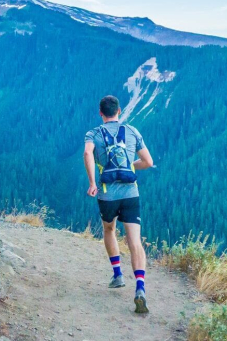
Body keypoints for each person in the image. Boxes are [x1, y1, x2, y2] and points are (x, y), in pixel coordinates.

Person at [84, 95, 154, 314]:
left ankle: (117, 274)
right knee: (135, 241)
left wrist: (93, 182)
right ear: (119, 111)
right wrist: (129, 167)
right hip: (131, 194)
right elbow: (148, 162)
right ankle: (140, 288)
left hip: (107, 195)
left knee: (109, 229)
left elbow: (87, 153)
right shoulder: (132, 131)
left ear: (100, 113)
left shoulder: (93, 133)